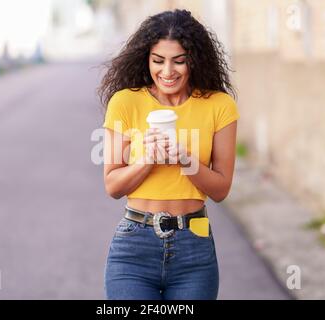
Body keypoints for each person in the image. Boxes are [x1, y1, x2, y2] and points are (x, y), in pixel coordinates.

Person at [98, 9, 239, 300]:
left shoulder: (219, 105)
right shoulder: (126, 102)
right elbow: (113, 185)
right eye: (158, 61)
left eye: (179, 61)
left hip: (194, 247)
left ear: (194, 60)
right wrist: (146, 160)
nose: (167, 71)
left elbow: (221, 189)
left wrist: (186, 160)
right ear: (146, 59)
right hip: (134, 246)